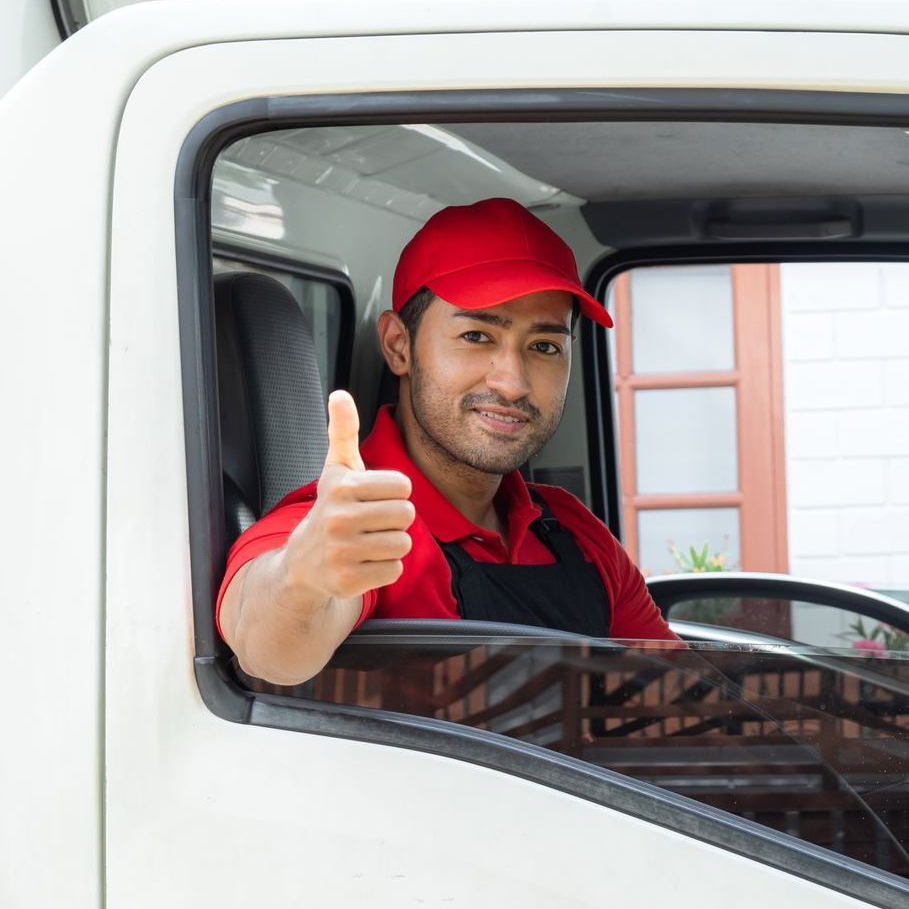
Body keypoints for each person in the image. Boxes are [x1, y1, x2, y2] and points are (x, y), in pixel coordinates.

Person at [217, 196, 677, 684]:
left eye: (544, 347)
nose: (513, 383)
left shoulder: (574, 531)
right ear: (399, 346)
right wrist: (302, 579)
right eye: (477, 336)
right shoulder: (354, 523)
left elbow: (679, 697)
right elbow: (264, 645)